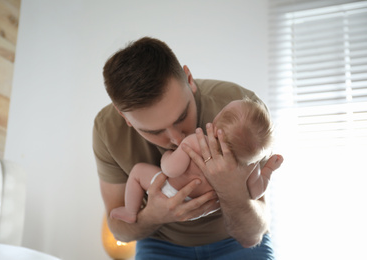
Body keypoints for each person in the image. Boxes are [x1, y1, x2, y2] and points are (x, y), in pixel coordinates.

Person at [93, 36, 283, 259]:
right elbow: (119, 231)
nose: (176, 139)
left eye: (182, 116)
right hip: (160, 244)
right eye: (154, 132)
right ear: (122, 115)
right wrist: (154, 216)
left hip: (234, 241)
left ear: (189, 79)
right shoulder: (107, 129)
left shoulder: (241, 112)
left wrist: (232, 192)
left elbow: (252, 236)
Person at [110, 98, 281, 224]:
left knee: (138, 172)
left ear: (214, 124)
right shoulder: (247, 167)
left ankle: (130, 211)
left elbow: (170, 170)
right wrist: (267, 171)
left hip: (171, 193)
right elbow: (255, 192)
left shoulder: (195, 143)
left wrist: (167, 156)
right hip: (205, 205)